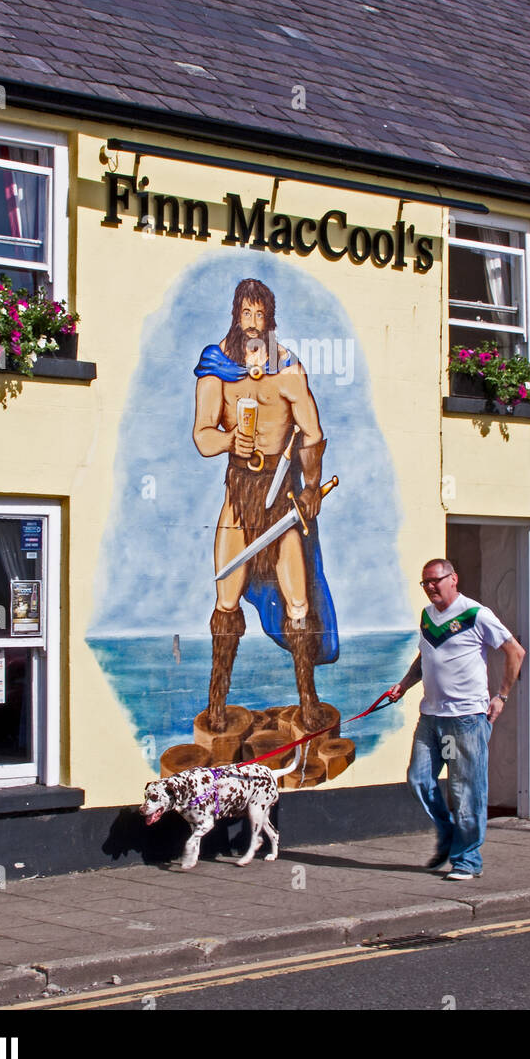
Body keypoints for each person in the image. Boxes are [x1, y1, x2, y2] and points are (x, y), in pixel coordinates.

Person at [193, 278, 337, 734]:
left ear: (269, 320)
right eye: (246, 314)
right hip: (239, 495)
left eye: (261, 315)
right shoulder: (217, 366)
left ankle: (308, 700)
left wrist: (311, 488)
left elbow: (311, 434)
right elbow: (201, 435)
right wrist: (228, 439)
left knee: (299, 604)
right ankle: (217, 702)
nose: (253, 323)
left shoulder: (288, 370)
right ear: (236, 315)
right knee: (226, 599)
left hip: (281, 499)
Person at [388, 557, 525, 880]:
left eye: (436, 580)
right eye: (425, 583)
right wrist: (404, 686)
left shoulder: (476, 615)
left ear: (453, 579)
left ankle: (467, 860)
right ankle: (450, 835)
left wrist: (501, 696)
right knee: (419, 780)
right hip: (431, 716)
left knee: (466, 791)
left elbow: (515, 652)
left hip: (466, 719)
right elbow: (426, 656)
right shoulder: (427, 616)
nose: (431, 587)